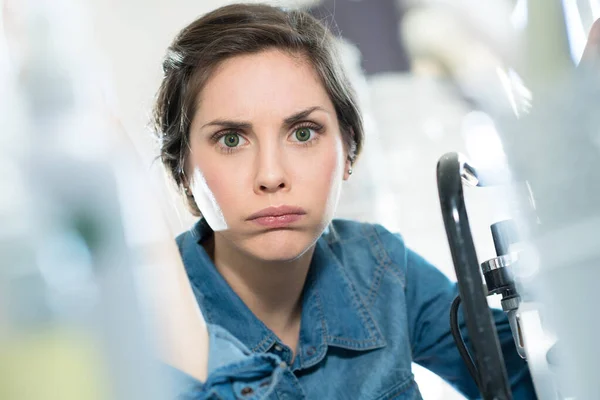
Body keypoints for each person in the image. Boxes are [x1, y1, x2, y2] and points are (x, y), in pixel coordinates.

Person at [151, 3, 599, 399]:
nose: (271, 176)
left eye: (303, 133)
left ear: (349, 150)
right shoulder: (144, 316)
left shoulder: (381, 267)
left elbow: (531, 380)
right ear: (181, 170)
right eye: (231, 139)